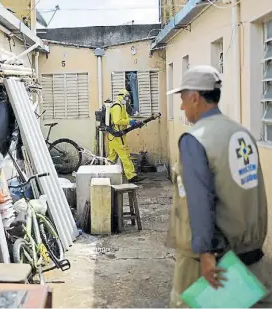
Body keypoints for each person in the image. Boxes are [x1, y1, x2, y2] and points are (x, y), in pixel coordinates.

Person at [166, 65, 271, 308]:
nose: (182, 107)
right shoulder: (242, 134)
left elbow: (199, 200)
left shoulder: (195, 139)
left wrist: (205, 254)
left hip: (211, 266)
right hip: (250, 260)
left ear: (195, 97)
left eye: (182, 100)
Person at [107, 89, 144, 183]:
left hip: (115, 136)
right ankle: (131, 176)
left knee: (112, 157)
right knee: (125, 155)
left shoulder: (122, 106)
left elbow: (126, 118)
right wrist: (129, 122)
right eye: (127, 97)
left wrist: (133, 121)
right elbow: (117, 121)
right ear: (124, 97)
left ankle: (106, 174)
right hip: (117, 136)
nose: (128, 100)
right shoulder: (117, 106)